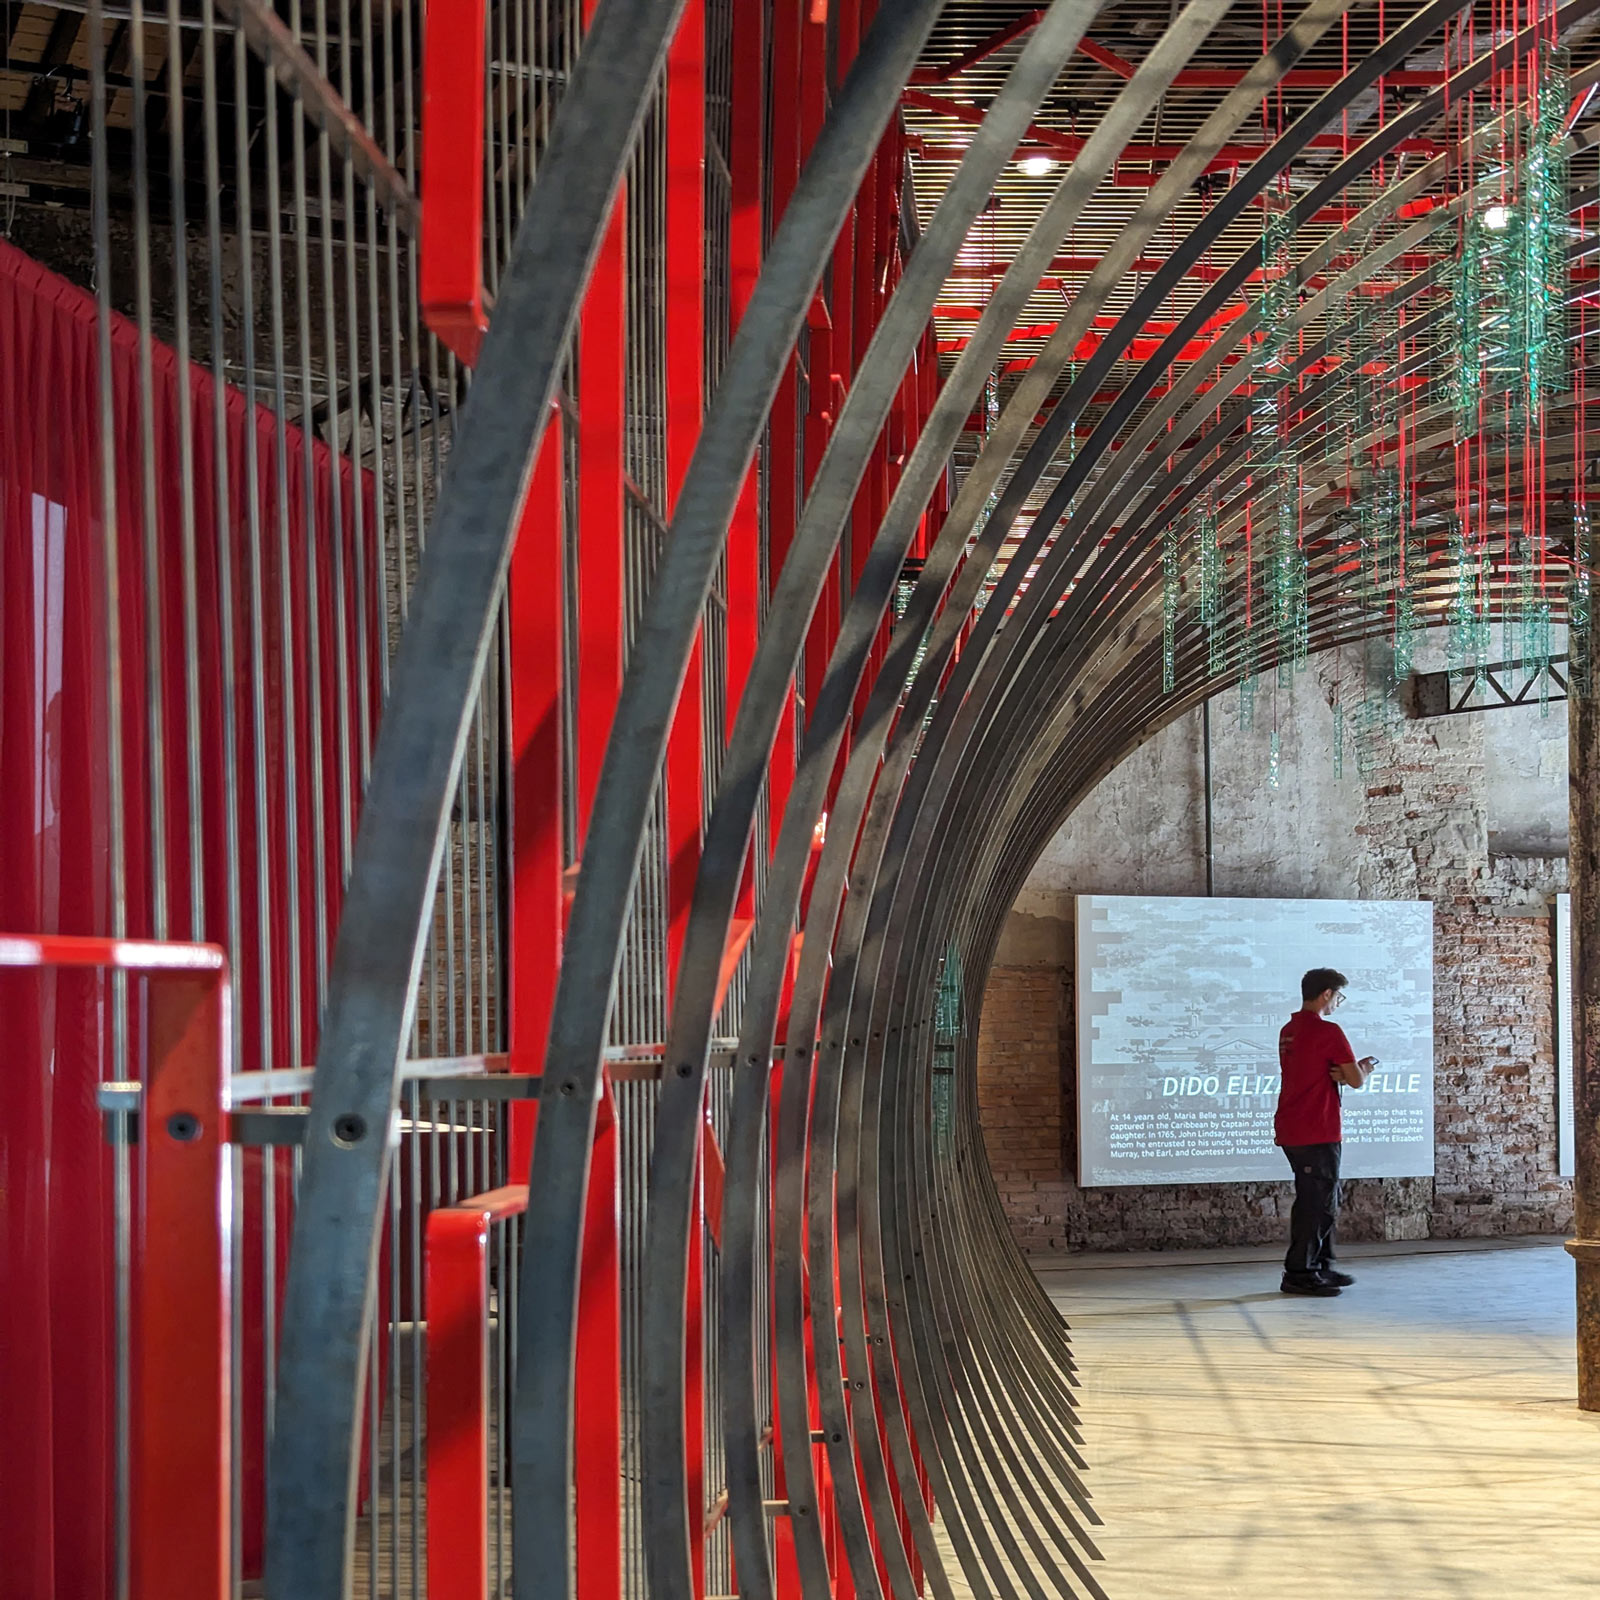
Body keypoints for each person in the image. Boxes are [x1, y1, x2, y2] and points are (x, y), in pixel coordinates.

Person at [1274, 967, 1377, 1297]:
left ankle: (1321, 1265)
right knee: (1317, 1203)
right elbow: (1356, 1080)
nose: (1337, 1004)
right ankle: (1300, 1272)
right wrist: (1361, 1068)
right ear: (1326, 994)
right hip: (1315, 1127)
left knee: (1323, 1198)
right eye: (1338, 996)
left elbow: (1321, 1071)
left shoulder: (1289, 1029)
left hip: (1295, 1124)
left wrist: (1339, 1073)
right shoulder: (1328, 1031)